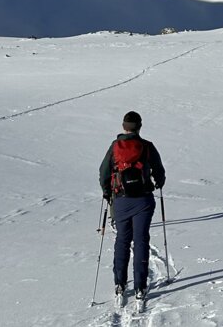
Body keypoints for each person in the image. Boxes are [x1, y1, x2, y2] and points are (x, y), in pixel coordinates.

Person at [99, 111, 166, 306]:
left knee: (122, 240)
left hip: (121, 200)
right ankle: (140, 287)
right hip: (143, 200)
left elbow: (103, 172)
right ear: (139, 126)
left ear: (123, 126)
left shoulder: (114, 147)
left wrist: (107, 192)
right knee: (141, 241)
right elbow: (159, 171)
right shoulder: (147, 146)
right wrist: (158, 183)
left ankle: (119, 284)